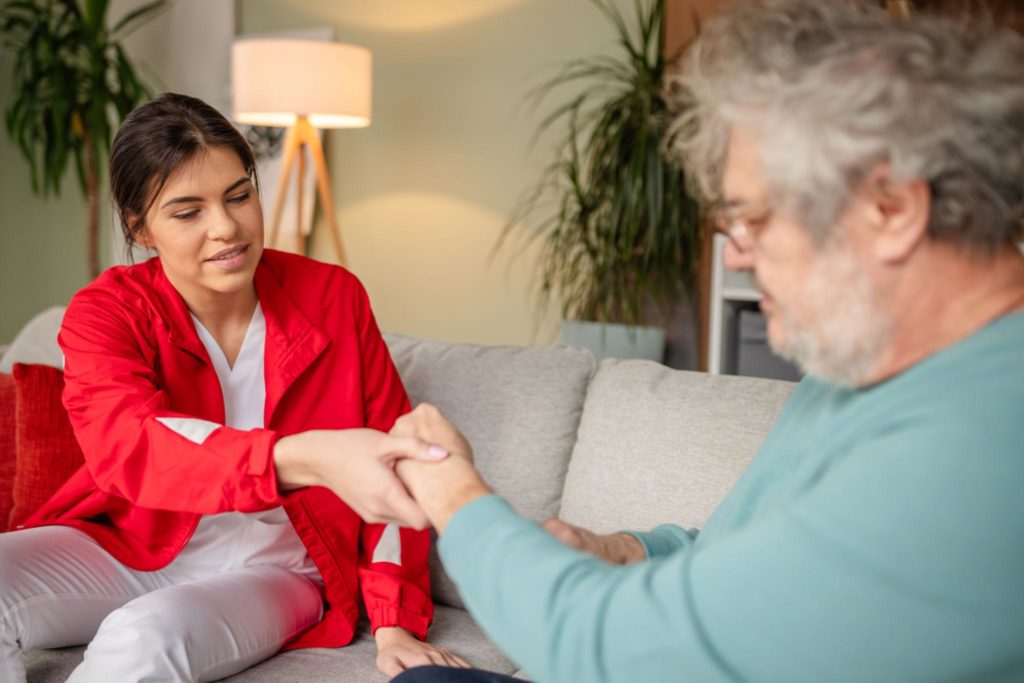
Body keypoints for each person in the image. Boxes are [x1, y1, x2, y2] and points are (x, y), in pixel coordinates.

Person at [386, 1, 1024, 681]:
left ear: (891, 209)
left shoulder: (983, 442)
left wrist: (456, 499)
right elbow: (749, 566)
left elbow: (615, 648)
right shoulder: (856, 370)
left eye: (753, 219)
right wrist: (621, 550)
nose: (737, 255)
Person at [0, 93, 468, 682]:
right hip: (135, 546)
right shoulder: (106, 312)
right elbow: (133, 443)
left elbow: (391, 467)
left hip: (276, 570)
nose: (225, 228)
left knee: (144, 637)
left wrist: (394, 621)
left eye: (239, 196)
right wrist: (300, 456)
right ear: (140, 228)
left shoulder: (333, 298)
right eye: (187, 212)